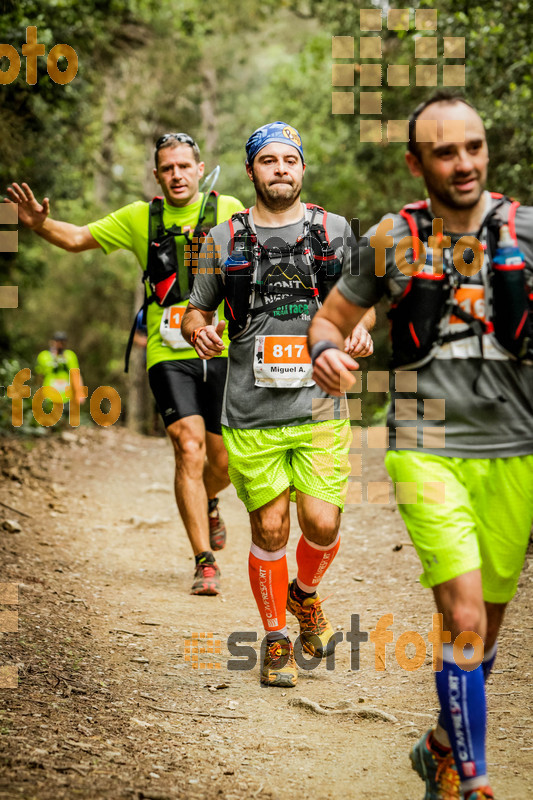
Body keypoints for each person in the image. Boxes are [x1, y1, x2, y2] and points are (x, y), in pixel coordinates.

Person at [308, 92, 533, 800]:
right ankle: (473, 782)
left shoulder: (527, 230)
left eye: (472, 147)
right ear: (416, 162)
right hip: (424, 445)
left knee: (483, 634)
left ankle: (439, 743)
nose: (461, 163)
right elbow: (328, 319)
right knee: (461, 618)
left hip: (515, 450)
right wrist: (324, 354)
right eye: (443, 151)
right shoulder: (389, 238)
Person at [6, 133, 244, 596]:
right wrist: (40, 224)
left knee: (224, 462)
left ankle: (209, 498)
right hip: (167, 351)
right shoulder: (141, 218)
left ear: (199, 169)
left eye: (183, 166)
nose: (176, 174)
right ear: (156, 175)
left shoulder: (229, 209)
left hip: (220, 348)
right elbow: (76, 239)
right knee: (187, 447)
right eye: (167, 168)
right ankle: (204, 561)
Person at [182, 121, 375, 687]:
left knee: (321, 521)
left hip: (319, 406)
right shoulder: (222, 239)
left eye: (290, 160)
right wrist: (198, 329)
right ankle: (274, 638)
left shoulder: (333, 230)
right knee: (270, 529)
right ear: (251, 172)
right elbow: (195, 308)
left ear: (302, 169)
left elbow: (361, 303)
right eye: (269, 162)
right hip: (250, 410)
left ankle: (305, 595)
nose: (281, 170)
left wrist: (361, 329)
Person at [35, 331, 85, 421]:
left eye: (63, 342)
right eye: (58, 341)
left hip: (66, 397)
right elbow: (39, 376)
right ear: (52, 342)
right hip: (48, 396)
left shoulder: (70, 355)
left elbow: (76, 375)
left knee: (64, 422)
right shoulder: (44, 356)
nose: (60, 345)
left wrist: (79, 393)